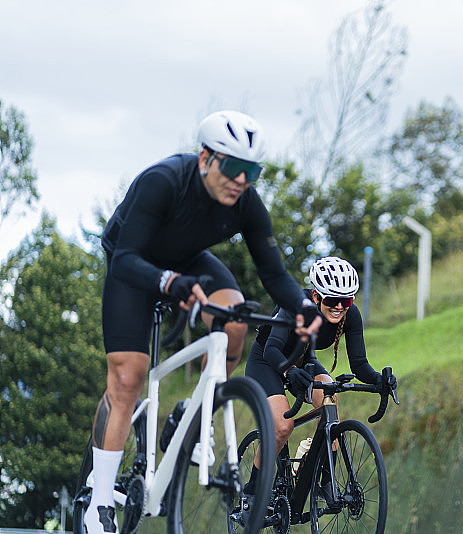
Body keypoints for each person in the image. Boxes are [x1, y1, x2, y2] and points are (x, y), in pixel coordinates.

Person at [86, 110, 322, 534]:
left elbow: (274, 275)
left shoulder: (245, 200)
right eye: (233, 167)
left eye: (252, 171)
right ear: (205, 160)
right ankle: (99, 500)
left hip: (187, 262)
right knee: (127, 377)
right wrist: (167, 281)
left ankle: (197, 413)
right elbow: (124, 258)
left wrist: (304, 308)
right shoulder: (163, 182)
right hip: (135, 264)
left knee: (233, 317)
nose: (241, 180)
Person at [243, 256, 396, 502]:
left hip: (304, 361)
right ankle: (251, 491)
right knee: (283, 427)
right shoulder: (294, 305)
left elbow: (359, 364)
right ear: (316, 296)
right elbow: (272, 349)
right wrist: (289, 372)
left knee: (330, 400)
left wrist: (380, 381)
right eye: (332, 300)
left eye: (346, 300)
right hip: (267, 362)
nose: (339, 307)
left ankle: (325, 480)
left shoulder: (350, 314)